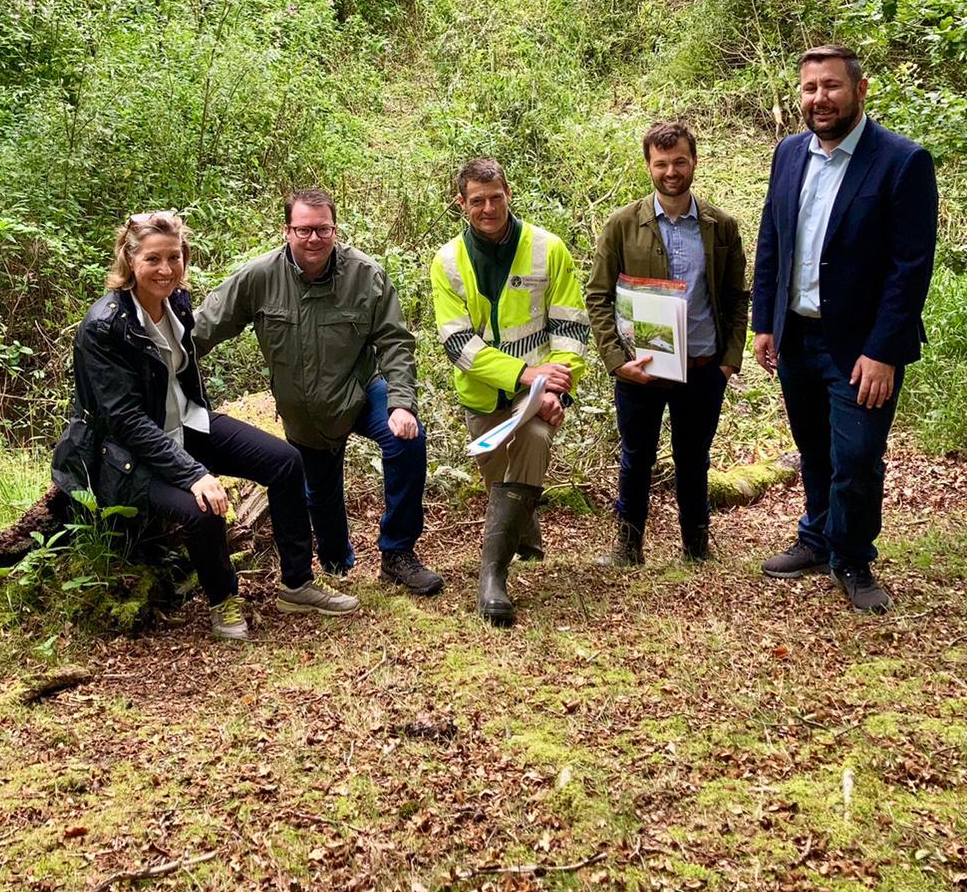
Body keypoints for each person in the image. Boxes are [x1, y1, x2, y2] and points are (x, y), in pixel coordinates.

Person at [54, 212, 359, 639]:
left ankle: (297, 584)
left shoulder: (176, 301)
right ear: (130, 259)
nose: (165, 269)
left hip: (187, 424)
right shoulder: (104, 326)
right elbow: (123, 420)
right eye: (153, 259)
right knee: (204, 507)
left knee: (286, 462)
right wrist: (194, 473)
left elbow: (182, 372)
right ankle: (223, 599)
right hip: (125, 456)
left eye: (174, 257)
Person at [752, 46, 938, 615]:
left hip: (861, 347)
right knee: (814, 448)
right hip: (797, 336)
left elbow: (910, 269)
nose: (819, 99)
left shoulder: (901, 162)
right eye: (809, 88)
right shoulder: (789, 154)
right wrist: (765, 321)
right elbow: (772, 240)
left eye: (831, 86)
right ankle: (817, 537)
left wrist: (882, 352)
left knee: (857, 455)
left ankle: (853, 558)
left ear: (860, 90)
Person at [192, 189, 442, 597]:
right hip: (303, 409)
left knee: (406, 440)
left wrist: (401, 404)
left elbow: (396, 342)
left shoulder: (366, 275)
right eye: (304, 229)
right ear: (287, 231)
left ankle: (398, 553)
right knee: (321, 495)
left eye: (322, 229)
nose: (314, 238)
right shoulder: (259, 276)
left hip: (359, 392)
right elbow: (202, 331)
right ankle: (336, 562)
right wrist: (155, 371)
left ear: (334, 229)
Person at [430, 158, 588, 627]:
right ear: (461, 204)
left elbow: (570, 327)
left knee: (535, 441)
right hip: (481, 394)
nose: (487, 207)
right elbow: (457, 342)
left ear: (508, 192)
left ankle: (492, 577)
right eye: (476, 200)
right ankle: (525, 533)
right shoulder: (446, 261)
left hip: (537, 389)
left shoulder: (547, 248)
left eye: (495, 196)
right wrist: (522, 372)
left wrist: (556, 388)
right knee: (498, 473)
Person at [586, 120, 749, 566]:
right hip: (641, 369)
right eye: (662, 164)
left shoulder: (721, 226)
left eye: (680, 161)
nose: (671, 171)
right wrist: (617, 361)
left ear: (694, 162)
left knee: (694, 458)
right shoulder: (622, 225)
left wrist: (728, 361)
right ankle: (628, 546)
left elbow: (737, 298)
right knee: (635, 456)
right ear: (648, 166)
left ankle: (697, 546)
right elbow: (597, 296)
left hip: (702, 367)